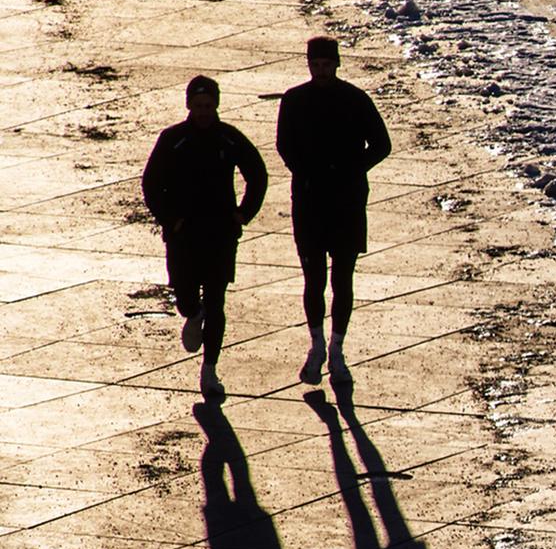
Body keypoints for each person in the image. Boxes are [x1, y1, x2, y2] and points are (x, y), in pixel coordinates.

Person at [142, 75, 267, 398]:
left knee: (216, 301)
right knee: (184, 295)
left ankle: (209, 370)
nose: (203, 112)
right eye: (198, 106)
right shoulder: (172, 139)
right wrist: (171, 220)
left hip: (220, 234)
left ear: (217, 105)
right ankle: (192, 314)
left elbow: (257, 173)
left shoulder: (229, 138)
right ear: (188, 105)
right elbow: (152, 184)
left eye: (208, 106)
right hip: (184, 235)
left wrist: (243, 213)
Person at [276, 36, 391, 384]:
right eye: (316, 64)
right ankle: (317, 345)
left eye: (327, 64)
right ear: (309, 64)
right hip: (311, 201)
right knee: (314, 279)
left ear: (337, 64)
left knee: (343, 279)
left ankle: (337, 349)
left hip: (346, 202)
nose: (321, 70)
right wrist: (309, 173)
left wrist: (351, 170)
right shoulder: (295, 100)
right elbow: (284, 145)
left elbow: (382, 144)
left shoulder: (355, 100)